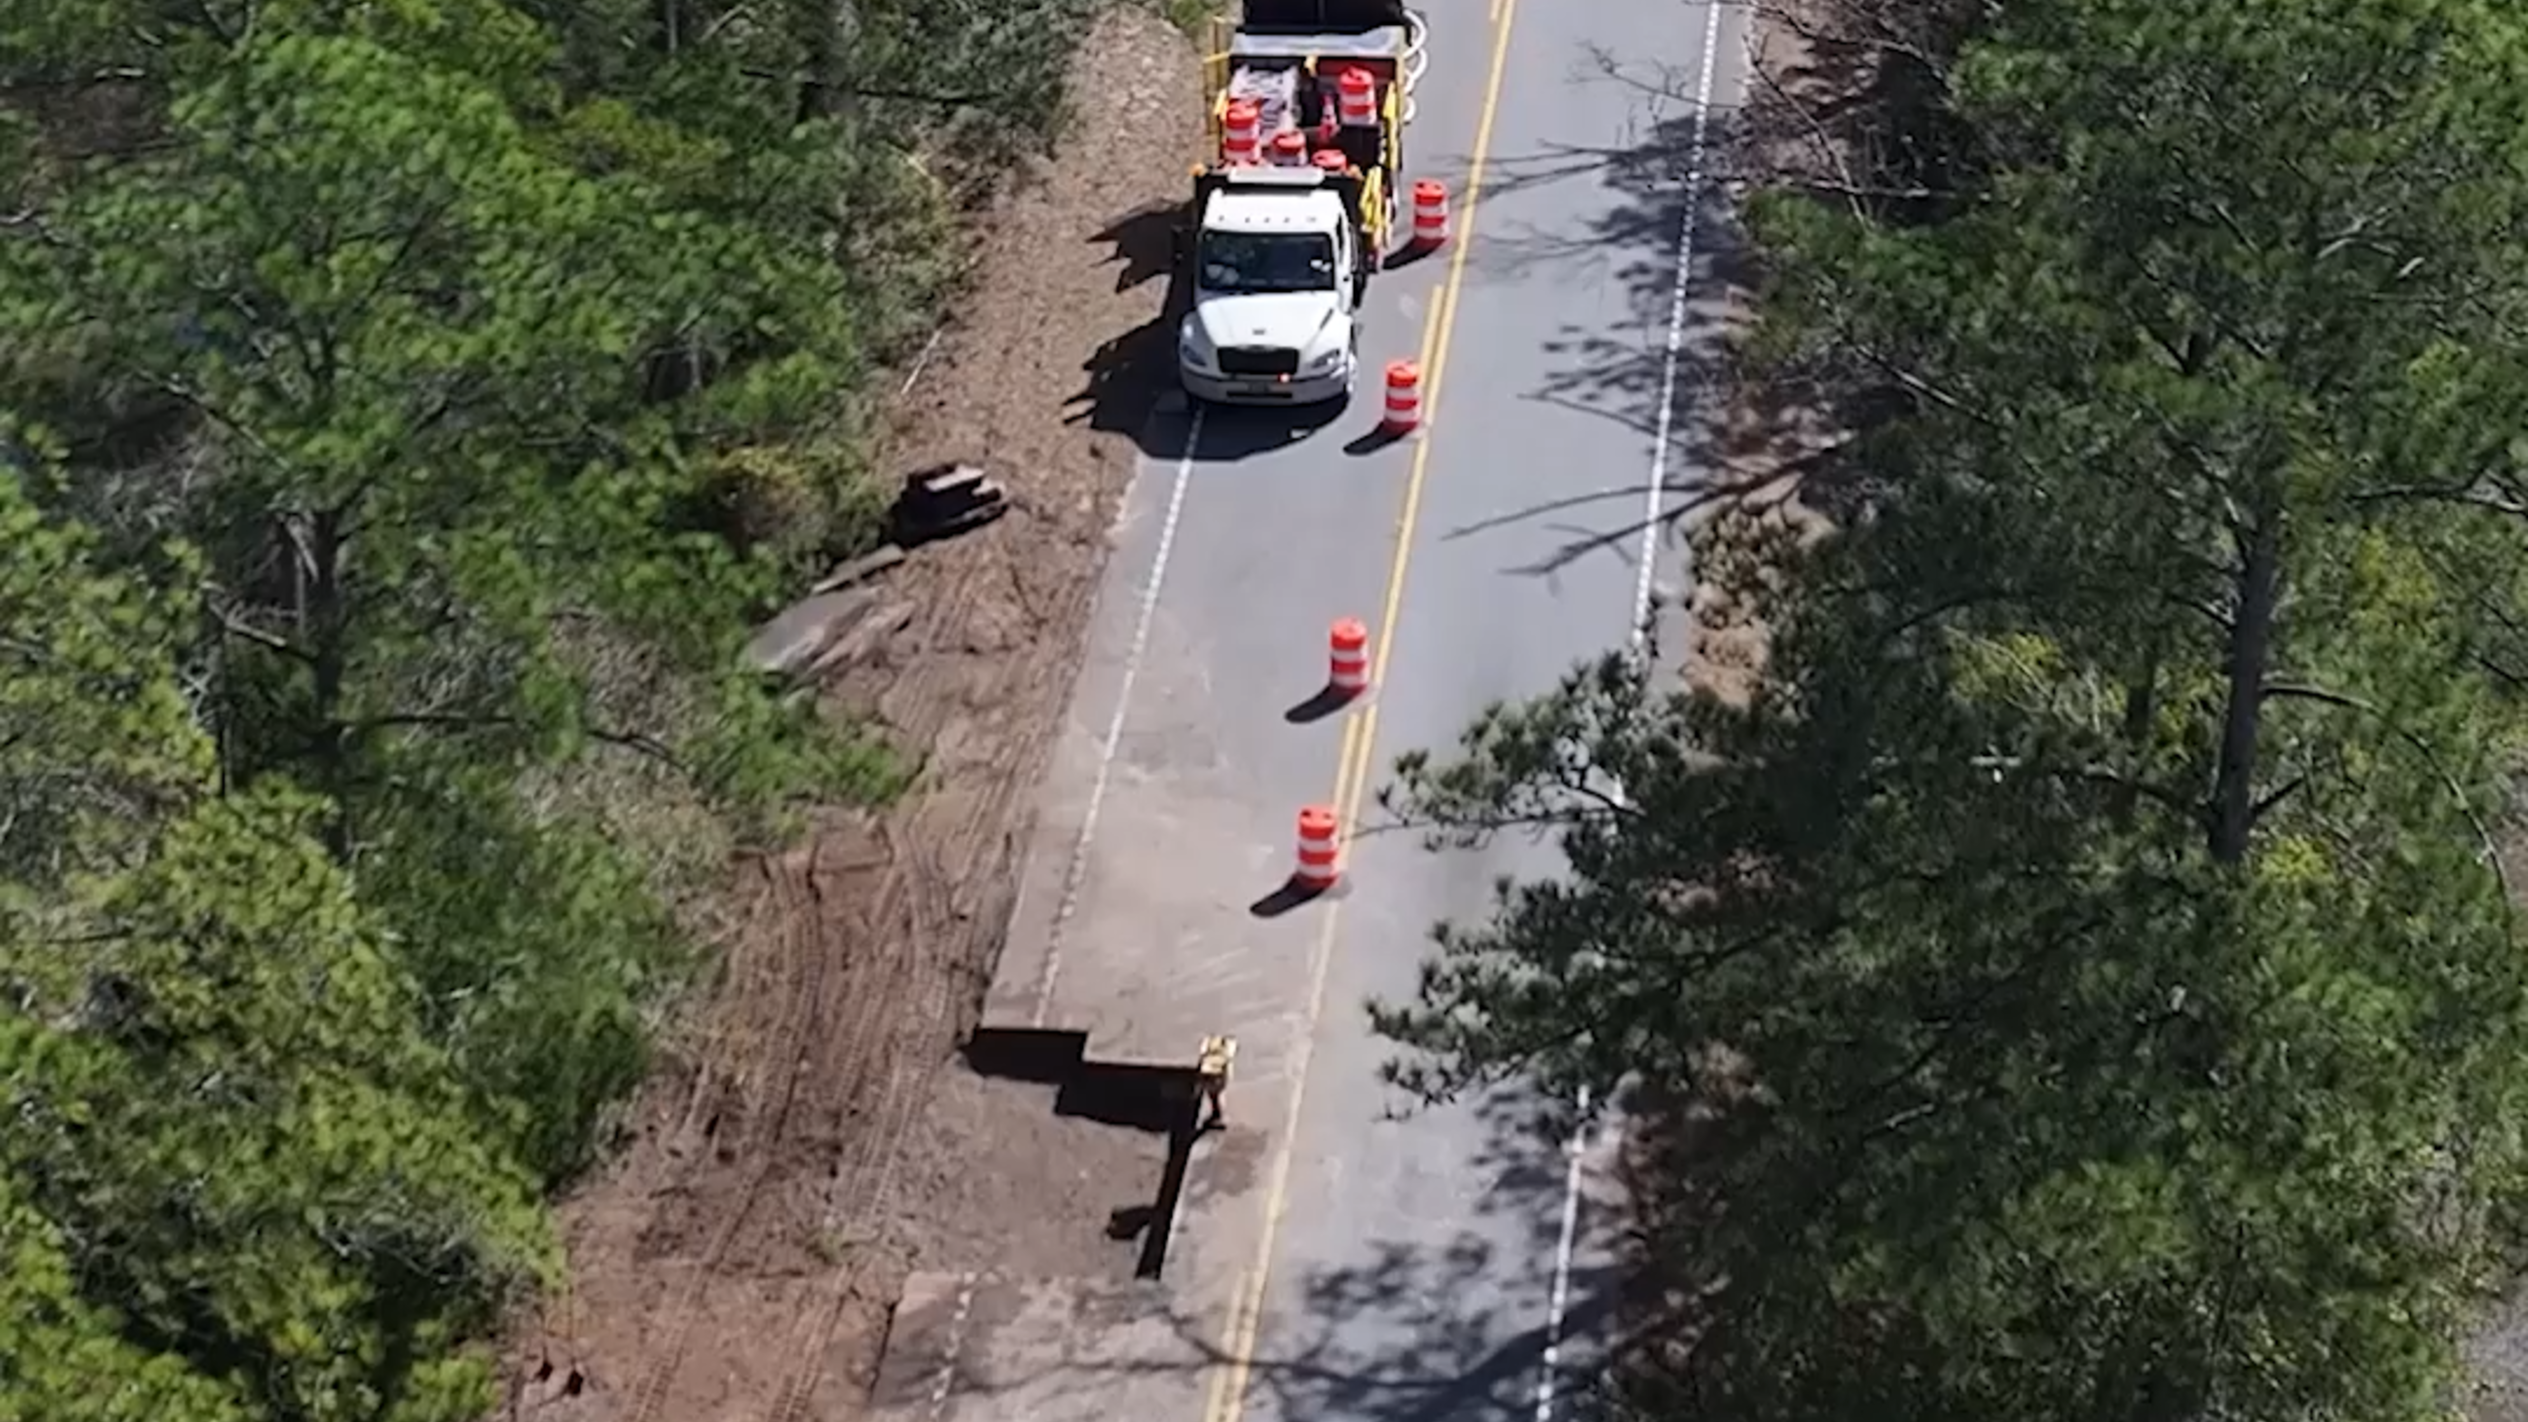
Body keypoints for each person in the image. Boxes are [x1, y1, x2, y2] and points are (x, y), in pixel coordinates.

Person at [1195, 1035, 1237, 1130]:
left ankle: (1218, 1115)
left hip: (1214, 1070)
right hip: (1215, 1069)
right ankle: (1217, 1115)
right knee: (1214, 1094)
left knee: (1215, 1094)